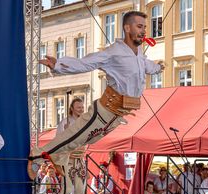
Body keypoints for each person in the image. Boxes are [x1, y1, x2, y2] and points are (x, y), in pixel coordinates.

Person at [27, 10, 164, 179]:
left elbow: (148, 66)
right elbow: (86, 63)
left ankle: (57, 155)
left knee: (84, 141)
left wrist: (158, 68)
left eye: (144, 27)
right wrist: (58, 65)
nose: (144, 31)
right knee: (75, 136)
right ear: (127, 28)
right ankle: (37, 155)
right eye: (139, 26)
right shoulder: (113, 52)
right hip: (104, 110)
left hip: (118, 115)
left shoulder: (139, 54)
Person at [55, 98, 87, 194]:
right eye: (78, 107)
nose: (81, 109)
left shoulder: (85, 123)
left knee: (80, 189)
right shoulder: (65, 122)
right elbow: (58, 140)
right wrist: (66, 132)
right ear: (72, 108)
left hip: (80, 160)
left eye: (82, 107)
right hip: (67, 160)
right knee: (67, 189)